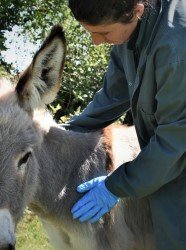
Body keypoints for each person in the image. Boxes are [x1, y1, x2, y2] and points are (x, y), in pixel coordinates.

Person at [64, 0, 186, 249]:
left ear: (138, 11)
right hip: (171, 168)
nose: (96, 42)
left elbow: (173, 139)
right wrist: (62, 134)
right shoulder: (131, 32)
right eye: (90, 32)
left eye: (103, 33)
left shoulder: (177, 47)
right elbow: (112, 97)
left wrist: (115, 185)